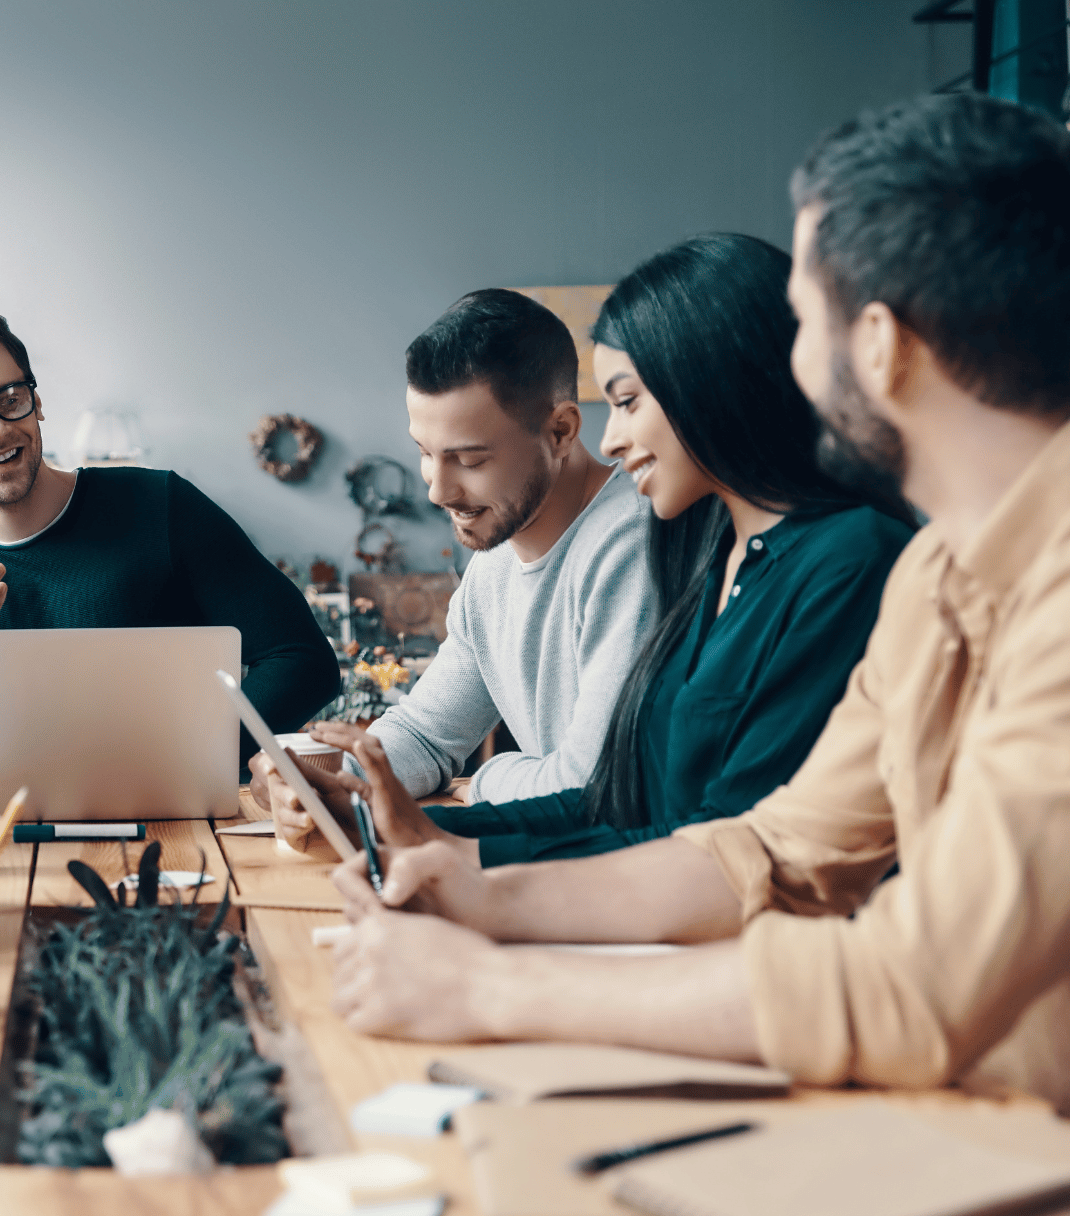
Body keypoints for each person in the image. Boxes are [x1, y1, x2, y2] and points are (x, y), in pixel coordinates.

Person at [324, 94, 1070, 1114]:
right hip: (963, 1130)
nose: (788, 363)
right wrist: (484, 893)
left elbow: (917, 984)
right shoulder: (936, 575)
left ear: (881, 347)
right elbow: (768, 851)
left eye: (803, 322)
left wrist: (496, 984)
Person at [273, 235, 917, 864]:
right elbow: (660, 822)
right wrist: (367, 800)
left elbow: (674, 828)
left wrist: (475, 803)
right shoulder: (736, 560)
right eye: (423, 454)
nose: (437, 489)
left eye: (628, 401)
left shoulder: (766, 551)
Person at [0, 301, 339, 774]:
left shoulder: (162, 507)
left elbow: (302, 659)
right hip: (11, 842)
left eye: (10, 398)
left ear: (37, 401)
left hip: (181, 833)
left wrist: (188, 759)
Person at [251, 289, 656, 836]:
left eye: (469, 459)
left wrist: (487, 778)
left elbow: (596, 788)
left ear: (560, 432)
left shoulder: (630, 545)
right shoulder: (493, 563)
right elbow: (426, 734)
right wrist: (325, 782)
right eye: (425, 452)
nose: (438, 491)